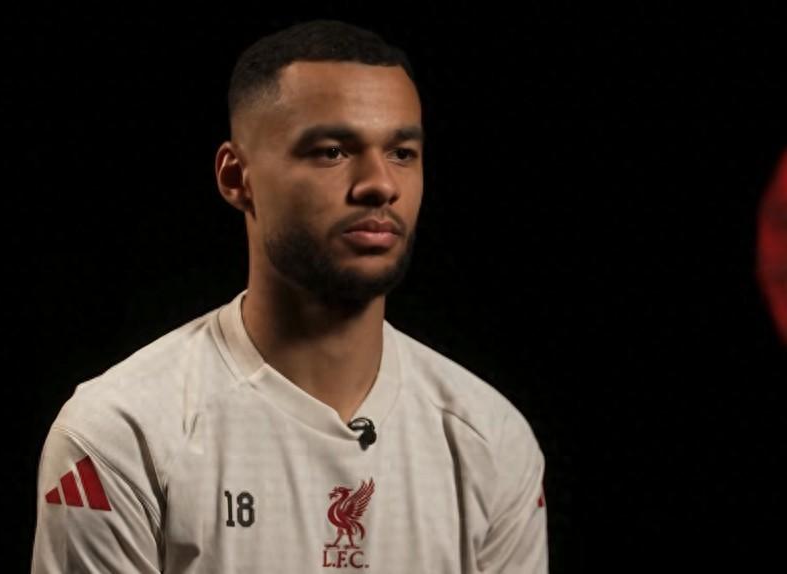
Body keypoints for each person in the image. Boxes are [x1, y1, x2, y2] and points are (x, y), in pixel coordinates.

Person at [31, 19, 548, 573]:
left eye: (402, 152)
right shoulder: (122, 435)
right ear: (237, 177)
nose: (380, 184)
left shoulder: (491, 439)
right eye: (332, 151)